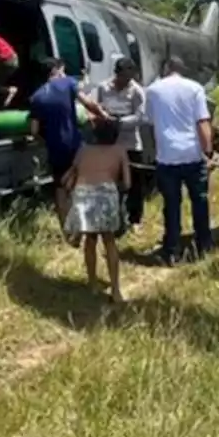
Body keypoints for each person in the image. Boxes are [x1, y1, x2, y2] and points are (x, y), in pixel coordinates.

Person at [27, 57, 111, 235]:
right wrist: (104, 115)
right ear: (57, 70)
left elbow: (34, 131)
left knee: (60, 188)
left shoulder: (36, 97)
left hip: (55, 149)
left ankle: (67, 230)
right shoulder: (68, 84)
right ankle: (85, 225)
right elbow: (88, 103)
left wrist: (46, 142)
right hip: (74, 144)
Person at [143, 56, 214, 264]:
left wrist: (151, 150)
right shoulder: (195, 88)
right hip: (192, 154)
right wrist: (208, 151)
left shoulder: (153, 90)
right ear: (182, 70)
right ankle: (204, 244)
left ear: (165, 69)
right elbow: (203, 122)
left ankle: (172, 249)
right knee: (199, 201)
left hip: (167, 156)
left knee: (171, 204)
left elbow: (149, 122)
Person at [60, 117, 131, 303]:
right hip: (106, 193)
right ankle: (115, 290)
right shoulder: (119, 150)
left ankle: (92, 284)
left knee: (90, 240)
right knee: (109, 241)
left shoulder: (84, 150)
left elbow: (71, 173)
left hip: (82, 194)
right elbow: (128, 182)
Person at [91, 57, 148, 227]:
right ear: (117, 74)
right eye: (124, 77)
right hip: (109, 143)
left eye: (130, 77)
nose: (127, 81)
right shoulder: (103, 87)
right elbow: (96, 107)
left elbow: (141, 117)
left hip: (130, 143)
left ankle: (135, 219)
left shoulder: (136, 91)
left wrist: (119, 122)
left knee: (135, 184)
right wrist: (102, 118)